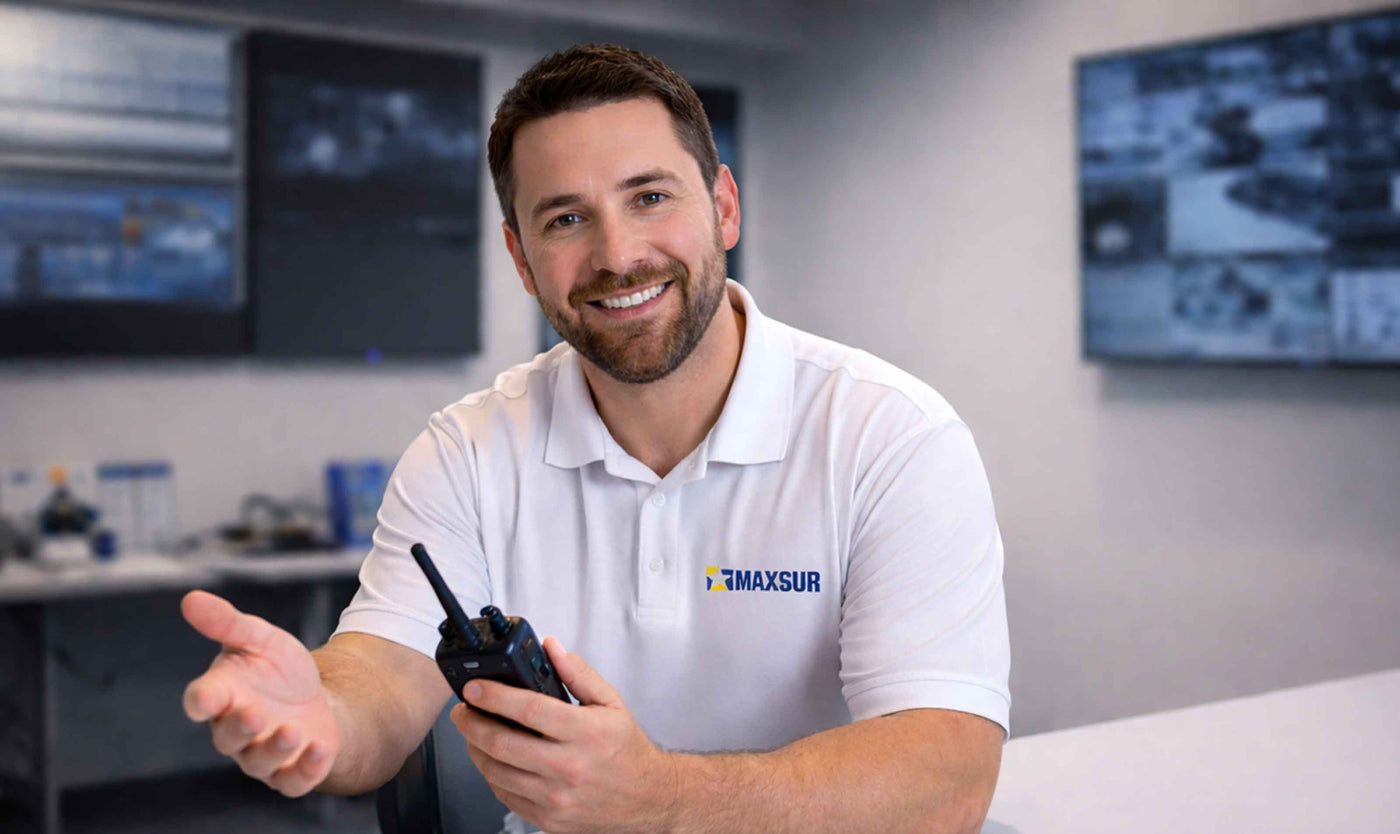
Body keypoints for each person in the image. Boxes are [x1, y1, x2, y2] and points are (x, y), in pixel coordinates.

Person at [181, 43, 1010, 834]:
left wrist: (660, 801)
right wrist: (320, 715)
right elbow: (383, 674)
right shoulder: (469, 449)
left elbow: (947, 776)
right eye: (567, 218)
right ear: (519, 255)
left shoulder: (889, 437)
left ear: (723, 207)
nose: (618, 255)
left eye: (649, 197)